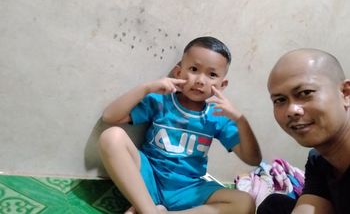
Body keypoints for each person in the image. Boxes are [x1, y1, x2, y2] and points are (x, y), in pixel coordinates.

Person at [99, 36, 262, 214]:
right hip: (148, 179)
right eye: (194, 69)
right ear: (178, 73)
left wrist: (241, 120)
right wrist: (146, 88)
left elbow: (253, 159)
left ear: (222, 85)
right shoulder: (161, 100)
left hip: (189, 189)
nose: (200, 80)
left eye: (212, 74)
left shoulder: (218, 116)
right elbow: (110, 116)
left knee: (245, 203)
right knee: (112, 136)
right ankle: (149, 209)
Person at [258, 48, 350, 214]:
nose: (291, 110)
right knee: (273, 205)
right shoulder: (319, 160)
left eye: (305, 93)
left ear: (345, 94)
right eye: (280, 100)